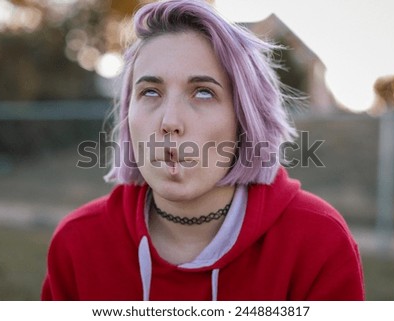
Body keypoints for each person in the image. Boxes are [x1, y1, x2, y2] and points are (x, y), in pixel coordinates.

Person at [41, 0, 365, 300]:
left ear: (245, 120)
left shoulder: (318, 242)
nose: (170, 122)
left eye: (204, 93)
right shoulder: (77, 243)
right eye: (151, 92)